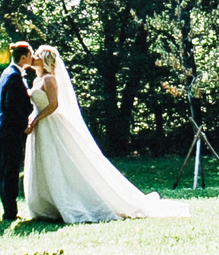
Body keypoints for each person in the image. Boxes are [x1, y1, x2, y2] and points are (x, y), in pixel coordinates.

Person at [24, 44, 188, 224]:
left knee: (61, 161)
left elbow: (53, 104)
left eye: (37, 55)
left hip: (50, 123)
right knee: (46, 162)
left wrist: (36, 119)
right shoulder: (36, 80)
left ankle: (71, 200)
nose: (33, 58)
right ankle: (48, 203)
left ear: (45, 59)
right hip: (41, 125)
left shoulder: (49, 79)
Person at [0, 41, 36, 223]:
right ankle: (9, 213)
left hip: (5, 131)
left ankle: (9, 210)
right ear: (24, 57)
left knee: (6, 171)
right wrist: (23, 125)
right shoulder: (14, 77)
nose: (33, 59)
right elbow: (11, 108)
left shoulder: (8, 73)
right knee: (9, 173)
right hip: (10, 132)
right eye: (31, 55)